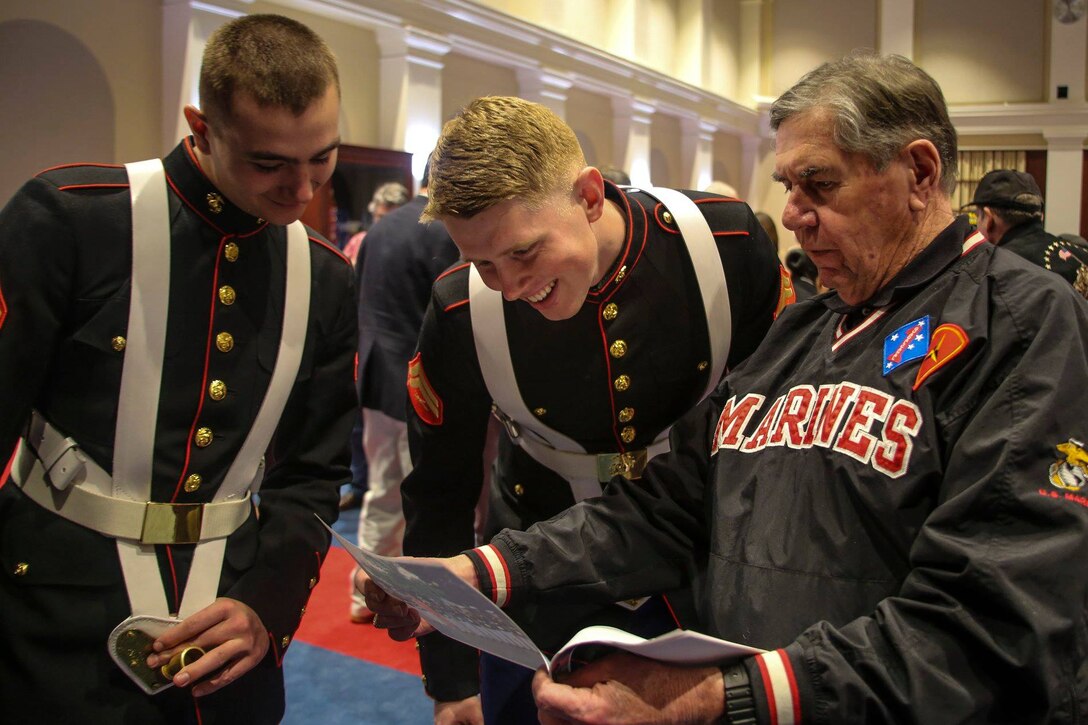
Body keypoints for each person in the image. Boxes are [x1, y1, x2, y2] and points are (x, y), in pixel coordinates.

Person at [363, 54, 1088, 724]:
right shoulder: (800, 331)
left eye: (821, 185)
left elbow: (996, 619)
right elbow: (671, 507)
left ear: (920, 174)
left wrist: (716, 695)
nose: (796, 215)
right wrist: (481, 570)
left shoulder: (1022, 320)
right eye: (790, 189)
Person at [367, 95, 788, 724]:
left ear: (590, 197)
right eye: (482, 262)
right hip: (537, 587)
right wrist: (452, 683)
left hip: (703, 571)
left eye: (524, 252)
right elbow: (441, 491)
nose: (509, 286)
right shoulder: (459, 310)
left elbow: (778, 437)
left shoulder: (725, 243)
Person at [0, 14, 357, 724]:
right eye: (268, 162)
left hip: (227, 634)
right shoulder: (71, 222)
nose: (300, 188)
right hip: (54, 624)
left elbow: (310, 474)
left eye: (322, 156)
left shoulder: (323, 277)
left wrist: (266, 606)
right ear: (201, 123)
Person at [348, 160, 460, 623]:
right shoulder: (441, 229)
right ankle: (412, 601)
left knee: (382, 488)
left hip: (375, 373)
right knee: (419, 495)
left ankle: (363, 594)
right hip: (418, 380)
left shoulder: (382, 226)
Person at [339, 181, 413, 514]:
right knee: (367, 441)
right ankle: (358, 483)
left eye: (389, 215)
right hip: (372, 351)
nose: (384, 223)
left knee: (392, 468)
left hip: (393, 355)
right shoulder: (361, 241)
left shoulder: (403, 236)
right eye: (379, 216)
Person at [966, 168, 1088, 297]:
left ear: (988, 218)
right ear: (1041, 216)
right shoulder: (1082, 254)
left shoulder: (989, 272)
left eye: (977, 216)